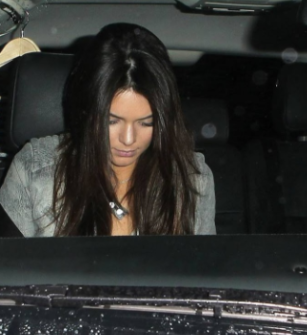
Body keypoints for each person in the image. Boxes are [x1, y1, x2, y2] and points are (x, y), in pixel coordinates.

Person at [0, 23, 216, 237]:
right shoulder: (35, 170)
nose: (128, 139)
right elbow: (10, 259)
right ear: (86, 111)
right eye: (112, 121)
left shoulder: (192, 178)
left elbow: (205, 259)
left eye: (146, 123)